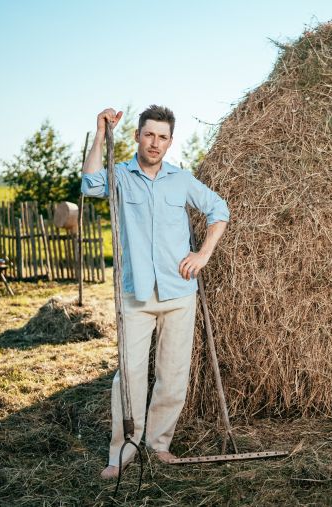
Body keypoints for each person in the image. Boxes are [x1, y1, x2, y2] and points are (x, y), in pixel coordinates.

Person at [81, 105, 229, 480]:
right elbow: (90, 184)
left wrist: (203, 254)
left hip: (180, 292)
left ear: (170, 142)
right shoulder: (121, 175)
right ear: (136, 136)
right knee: (129, 375)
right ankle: (123, 451)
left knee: (173, 373)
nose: (155, 143)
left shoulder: (181, 180)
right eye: (149, 135)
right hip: (137, 294)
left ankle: (159, 444)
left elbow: (219, 209)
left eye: (162, 137)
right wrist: (101, 132)